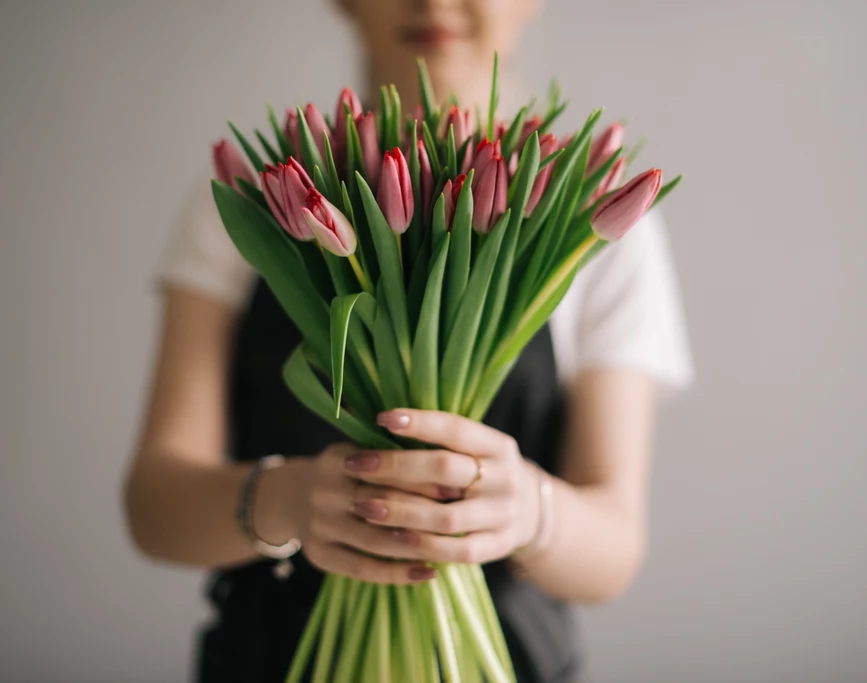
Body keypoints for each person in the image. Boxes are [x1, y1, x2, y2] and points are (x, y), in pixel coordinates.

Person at [124, 1, 693, 681]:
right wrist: (286, 498)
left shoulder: (596, 224)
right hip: (272, 658)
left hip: (503, 658)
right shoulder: (248, 200)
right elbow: (153, 503)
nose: (433, 1)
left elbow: (616, 547)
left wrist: (531, 512)